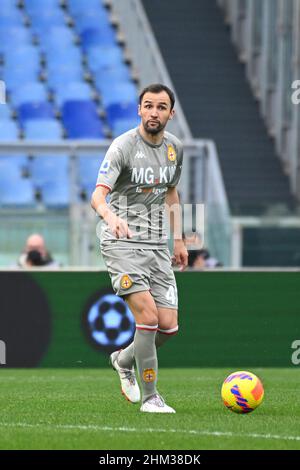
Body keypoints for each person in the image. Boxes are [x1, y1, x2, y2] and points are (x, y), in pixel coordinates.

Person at [91, 83, 188, 413]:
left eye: (161, 107)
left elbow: (171, 193)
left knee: (168, 327)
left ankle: (122, 359)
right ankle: (151, 398)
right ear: (139, 110)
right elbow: (97, 196)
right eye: (148, 106)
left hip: (158, 246)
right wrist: (111, 217)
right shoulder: (122, 147)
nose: (154, 112)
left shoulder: (175, 148)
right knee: (147, 316)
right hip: (122, 242)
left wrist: (181, 239)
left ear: (170, 114)